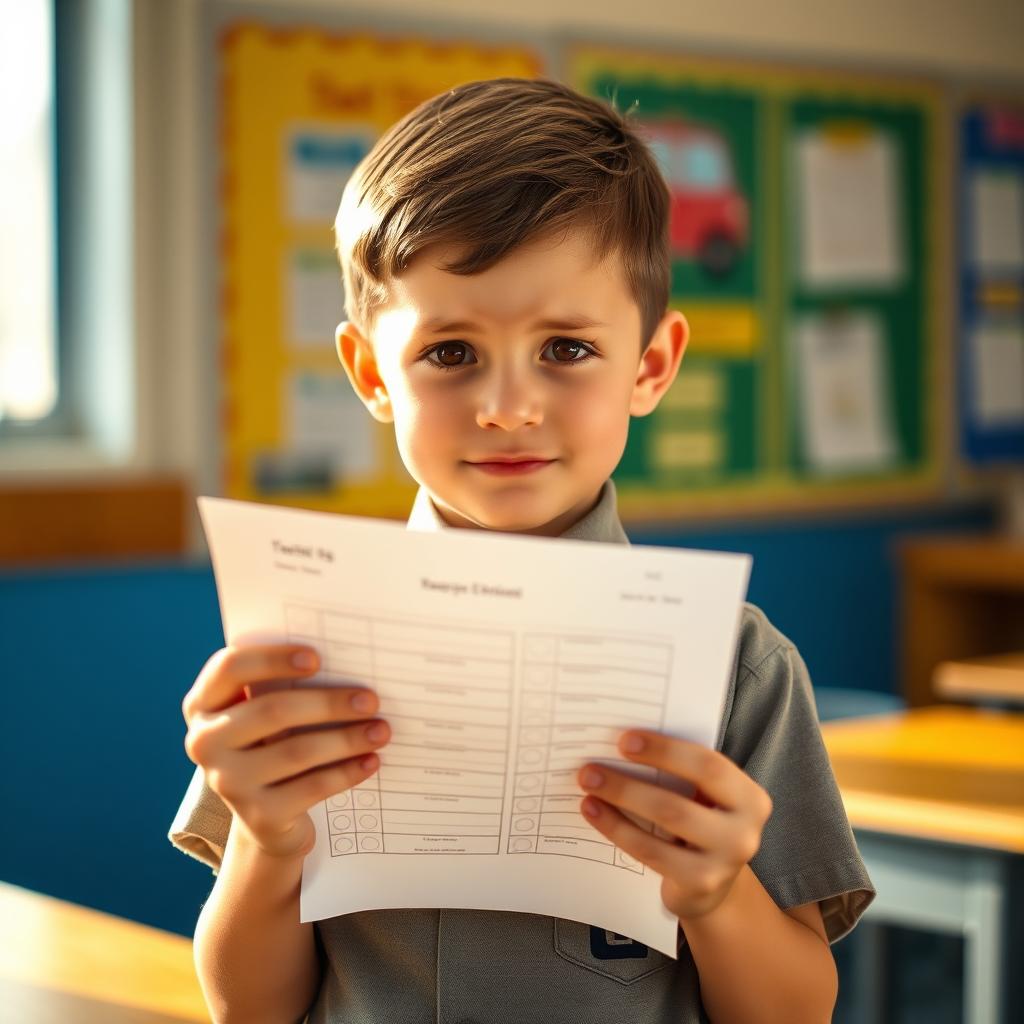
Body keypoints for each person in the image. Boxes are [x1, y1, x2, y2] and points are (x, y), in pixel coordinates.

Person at [170, 77, 874, 1024]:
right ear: (374, 373)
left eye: (568, 349)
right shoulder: (305, 645)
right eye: (451, 353)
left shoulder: (737, 670)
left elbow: (795, 1011)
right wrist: (268, 840)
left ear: (651, 365)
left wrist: (714, 894)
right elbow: (249, 1011)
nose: (508, 405)